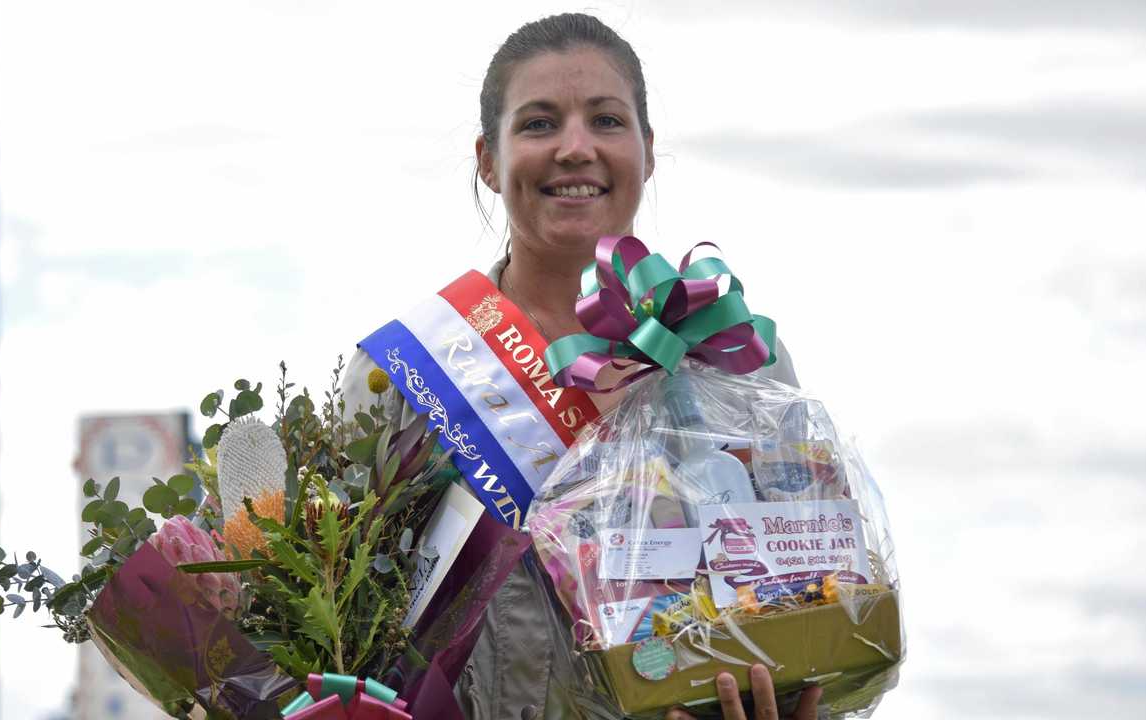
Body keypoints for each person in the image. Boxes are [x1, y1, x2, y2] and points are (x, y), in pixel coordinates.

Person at [344, 13, 812, 720]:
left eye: (606, 121)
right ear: (487, 160)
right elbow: (326, 637)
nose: (574, 148)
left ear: (648, 151)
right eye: (537, 124)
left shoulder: (736, 356)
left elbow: (815, 588)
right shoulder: (404, 376)